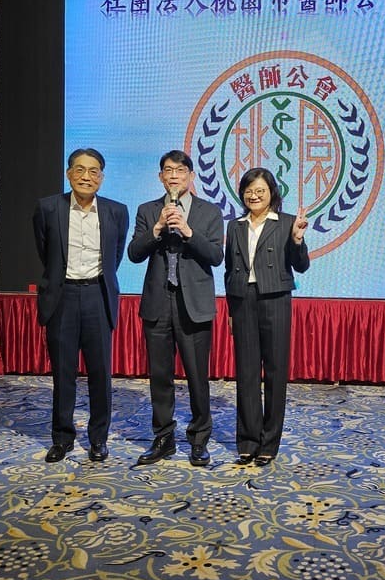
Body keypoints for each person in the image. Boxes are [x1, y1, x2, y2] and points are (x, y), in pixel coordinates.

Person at [128, 150, 224, 466]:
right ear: (160, 177)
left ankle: (199, 439)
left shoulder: (209, 211)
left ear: (191, 176)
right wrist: (156, 228)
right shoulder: (147, 210)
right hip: (158, 303)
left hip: (193, 304)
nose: (174, 176)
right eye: (168, 170)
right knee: (160, 376)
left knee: (197, 375)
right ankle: (163, 437)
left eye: (180, 170)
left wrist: (188, 231)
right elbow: (134, 253)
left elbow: (216, 256)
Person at [32, 148, 129, 464]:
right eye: (80, 170)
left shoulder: (116, 211)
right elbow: (45, 251)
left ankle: (98, 439)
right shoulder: (48, 208)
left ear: (101, 177)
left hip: (98, 296)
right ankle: (62, 438)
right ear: (69, 173)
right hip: (63, 297)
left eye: (93, 171)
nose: (86, 177)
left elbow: (115, 256)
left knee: (101, 374)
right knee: (64, 373)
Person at [224, 167, 309, 467]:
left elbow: (301, 266)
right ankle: (248, 441)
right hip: (243, 301)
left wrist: (297, 240)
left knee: (275, 373)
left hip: (275, 300)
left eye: (260, 190)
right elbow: (229, 271)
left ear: (272, 193)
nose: (254, 195)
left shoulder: (286, 223)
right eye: (249, 190)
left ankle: (269, 443)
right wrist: (231, 308)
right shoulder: (235, 226)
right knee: (246, 374)